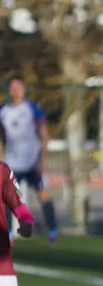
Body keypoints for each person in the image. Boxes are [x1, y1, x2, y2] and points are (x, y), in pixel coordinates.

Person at [0, 76, 57, 243]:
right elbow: (3, 136)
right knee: (6, 197)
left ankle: (52, 230)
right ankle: (9, 233)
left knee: (43, 194)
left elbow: (44, 135)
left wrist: (42, 158)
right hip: (13, 162)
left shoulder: (32, 109)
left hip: (32, 162)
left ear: (23, 89)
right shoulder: (3, 111)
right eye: (13, 87)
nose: (16, 91)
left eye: (18, 87)